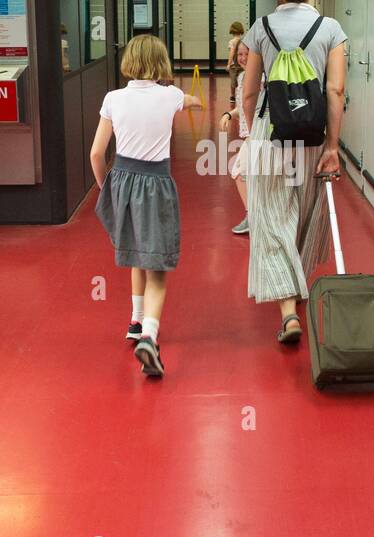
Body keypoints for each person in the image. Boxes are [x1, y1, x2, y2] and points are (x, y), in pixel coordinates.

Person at [239, 0, 347, 343]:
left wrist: (255, 133)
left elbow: (250, 91)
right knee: (302, 218)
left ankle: (288, 311)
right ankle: (294, 291)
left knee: (271, 219)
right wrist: (333, 145)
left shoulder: (261, 28)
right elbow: (334, 91)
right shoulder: (331, 29)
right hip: (312, 137)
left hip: (271, 135)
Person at [91, 34, 203, 378]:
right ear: (161, 64)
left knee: (136, 254)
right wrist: (193, 101)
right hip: (155, 185)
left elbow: (97, 153)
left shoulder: (113, 98)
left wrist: (105, 189)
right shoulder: (169, 96)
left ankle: (136, 321)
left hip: (122, 180)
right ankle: (150, 339)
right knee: (157, 267)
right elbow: (194, 100)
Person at [219, 36, 260, 235]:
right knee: (250, 175)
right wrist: (229, 113)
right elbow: (242, 108)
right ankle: (255, 217)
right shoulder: (243, 77)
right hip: (248, 135)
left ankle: (253, 217)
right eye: (240, 55)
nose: (243, 58)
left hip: (257, 135)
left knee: (238, 172)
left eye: (247, 54)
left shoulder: (261, 77)